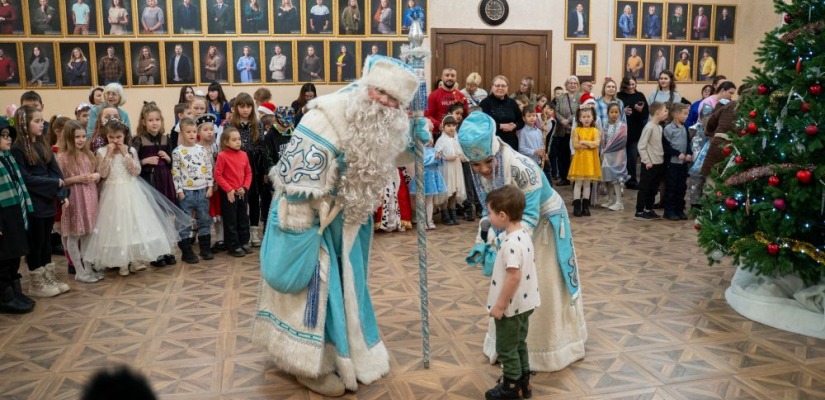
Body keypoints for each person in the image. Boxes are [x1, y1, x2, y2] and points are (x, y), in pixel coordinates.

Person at [253, 55, 420, 397]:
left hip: (350, 226)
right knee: (313, 292)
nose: (387, 105)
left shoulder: (384, 119)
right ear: (366, 87)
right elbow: (293, 179)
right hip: (310, 221)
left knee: (348, 290)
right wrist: (299, 232)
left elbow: (388, 154)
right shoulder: (326, 115)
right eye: (382, 95)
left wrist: (416, 138)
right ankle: (310, 365)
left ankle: (351, 353)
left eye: (395, 102)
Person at [458, 111, 586, 374]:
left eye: (486, 163)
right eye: (475, 165)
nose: (481, 170)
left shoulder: (522, 168)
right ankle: (508, 345)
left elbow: (528, 217)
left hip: (543, 222)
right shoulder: (480, 168)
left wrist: (504, 246)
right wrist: (485, 235)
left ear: (494, 152)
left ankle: (548, 349)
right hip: (512, 224)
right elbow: (489, 207)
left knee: (541, 280)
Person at [83, 119, 191, 275]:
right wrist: (108, 155)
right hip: (112, 192)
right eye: (111, 137)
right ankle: (122, 262)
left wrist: (125, 155)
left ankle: (134, 259)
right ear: (106, 136)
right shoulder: (101, 152)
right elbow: (103, 173)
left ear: (124, 135)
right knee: (117, 227)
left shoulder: (130, 150)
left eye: (118, 137)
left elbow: (136, 171)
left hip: (131, 190)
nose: (115, 141)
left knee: (134, 224)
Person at [482, 184, 540, 400]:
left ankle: (511, 386)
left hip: (511, 306)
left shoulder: (510, 244)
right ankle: (525, 382)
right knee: (519, 343)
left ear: (503, 215)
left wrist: (499, 305)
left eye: (490, 212)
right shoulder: (524, 233)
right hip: (526, 304)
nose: (489, 216)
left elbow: (513, 276)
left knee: (506, 347)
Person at [10, 105, 69, 297]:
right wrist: (54, 183)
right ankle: (36, 281)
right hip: (32, 202)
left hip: (47, 201)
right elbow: (25, 178)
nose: (41, 124)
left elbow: (56, 172)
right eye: (36, 121)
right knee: (35, 242)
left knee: (45, 242)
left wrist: (61, 194)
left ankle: (47, 275)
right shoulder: (18, 148)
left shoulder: (43, 144)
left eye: (41, 120)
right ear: (24, 124)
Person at [132, 101, 177, 267]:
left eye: (157, 119)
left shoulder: (166, 138)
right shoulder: (138, 140)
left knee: (165, 216)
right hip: (149, 182)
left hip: (165, 180)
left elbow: (174, 162)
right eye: (151, 120)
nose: (155, 123)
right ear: (144, 122)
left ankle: (167, 250)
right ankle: (156, 253)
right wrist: (144, 160)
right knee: (153, 218)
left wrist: (168, 158)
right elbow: (132, 164)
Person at [55, 120, 100, 282]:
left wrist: (95, 176)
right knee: (74, 235)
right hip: (75, 198)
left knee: (88, 235)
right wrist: (77, 178)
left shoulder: (88, 154)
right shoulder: (62, 157)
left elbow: (97, 172)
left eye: (83, 136)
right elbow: (60, 181)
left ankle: (88, 268)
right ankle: (79, 271)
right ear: (68, 138)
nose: (81, 140)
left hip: (90, 197)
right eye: (77, 137)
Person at [0, 118, 36, 313]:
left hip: (14, 211)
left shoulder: (8, 157)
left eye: (8, 135)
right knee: (4, 257)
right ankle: (5, 297)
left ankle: (15, 292)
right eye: (3, 135)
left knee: (15, 254)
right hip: (3, 215)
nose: (8, 139)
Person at [171, 117, 214, 263]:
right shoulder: (178, 152)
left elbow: (208, 168)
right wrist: (179, 190)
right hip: (186, 192)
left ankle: (205, 249)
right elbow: (176, 172)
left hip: (202, 190)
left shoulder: (201, 149)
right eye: (188, 132)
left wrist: (210, 186)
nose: (191, 134)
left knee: (204, 219)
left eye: (194, 131)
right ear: (182, 133)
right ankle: (186, 251)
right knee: (184, 222)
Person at [228, 93, 266, 248]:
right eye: (242, 106)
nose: (245, 110)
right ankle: (243, 233)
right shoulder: (230, 124)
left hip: (254, 165)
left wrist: (263, 170)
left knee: (254, 199)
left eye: (248, 106)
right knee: (241, 199)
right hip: (237, 164)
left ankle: (254, 230)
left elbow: (261, 146)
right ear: (237, 107)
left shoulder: (258, 124)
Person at [214, 126, 251, 257]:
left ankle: (243, 242)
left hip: (242, 192)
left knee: (243, 218)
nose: (238, 142)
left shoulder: (244, 155)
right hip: (229, 194)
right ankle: (233, 245)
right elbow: (218, 175)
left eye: (239, 139)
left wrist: (245, 187)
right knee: (231, 220)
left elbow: (248, 173)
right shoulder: (222, 156)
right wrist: (229, 189)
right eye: (234, 140)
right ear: (225, 142)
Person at [634, 101, 667, 220]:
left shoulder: (659, 127)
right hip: (649, 164)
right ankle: (639, 211)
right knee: (645, 188)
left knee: (653, 188)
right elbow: (641, 146)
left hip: (658, 162)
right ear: (657, 112)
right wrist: (646, 161)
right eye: (665, 110)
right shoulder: (649, 127)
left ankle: (648, 209)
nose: (666, 113)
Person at [568, 106, 600, 217]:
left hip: (590, 161)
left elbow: (596, 143)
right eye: (584, 117)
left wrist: (584, 142)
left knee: (587, 184)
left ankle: (585, 207)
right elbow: (576, 145)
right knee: (578, 183)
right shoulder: (576, 130)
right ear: (579, 119)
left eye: (588, 116)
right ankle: (577, 207)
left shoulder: (595, 130)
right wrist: (589, 145)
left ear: (592, 118)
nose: (586, 119)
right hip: (579, 160)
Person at [662, 103, 691, 221]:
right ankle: (669, 211)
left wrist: (689, 153)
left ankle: (679, 209)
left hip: (683, 164)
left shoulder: (684, 127)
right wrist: (677, 153)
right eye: (684, 113)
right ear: (675, 115)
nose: (687, 116)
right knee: (671, 187)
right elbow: (666, 146)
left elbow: (688, 143)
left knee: (681, 187)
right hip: (672, 164)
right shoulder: (668, 129)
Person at [434, 115, 466, 225]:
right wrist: (447, 158)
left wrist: (462, 157)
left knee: (454, 190)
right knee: (446, 190)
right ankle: (444, 213)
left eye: (453, 125)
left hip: (456, 167)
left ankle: (453, 212)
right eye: (448, 125)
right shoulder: (441, 140)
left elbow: (461, 152)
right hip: (446, 167)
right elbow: (436, 155)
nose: (451, 128)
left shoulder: (456, 140)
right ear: (443, 127)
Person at [617, 77, 648, 190]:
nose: (631, 87)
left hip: (635, 132)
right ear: (624, 85)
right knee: (620, 157)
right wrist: (622, 111)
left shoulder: (640, 96)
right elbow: (613, 111)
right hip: (621, 131)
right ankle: (619, 180)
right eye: (629, 85)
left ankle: (632, 180)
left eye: (633, 84)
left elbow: (646, 114)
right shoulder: (619, 96)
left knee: (632, 157)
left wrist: (640, 110)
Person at [425, 67, 469, 140]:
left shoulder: (461, 96)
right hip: (438, 135)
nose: (450, 78)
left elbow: (465, 116)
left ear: (456, 78)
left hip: (457, 135)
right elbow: (427, 115)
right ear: (442, 77)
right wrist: (439, 125)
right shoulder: (433, 95)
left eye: (452, 76)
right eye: (447, 75)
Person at [599, 103, 627, 211]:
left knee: (616, 178)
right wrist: (602, 150)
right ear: (607, 113)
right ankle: (610, 199)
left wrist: (606, 150)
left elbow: (621, 141)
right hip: (606, 156)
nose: (614, 114)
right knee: (608, 178)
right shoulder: (605, 125)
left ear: (620, 113)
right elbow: (603, 140)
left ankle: (619, 202)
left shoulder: (622, 126)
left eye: (616, 112)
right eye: (612, 112)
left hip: (617, 155)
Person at [553, 76, 580, 186]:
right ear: (566, 85)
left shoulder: (581, 97)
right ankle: (564, 177)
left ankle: (576, 177)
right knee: (563, 155)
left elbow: (580, 111)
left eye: (575, 83)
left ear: (577, 85)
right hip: (562, 130)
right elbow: (556, 111)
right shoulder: (561, 98)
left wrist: (568, 120)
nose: (572, 85)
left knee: (575, 155)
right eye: (570, 83)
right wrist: (561, 120)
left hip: (575, 130)